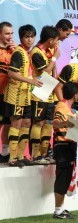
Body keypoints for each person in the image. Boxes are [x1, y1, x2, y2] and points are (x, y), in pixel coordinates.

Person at [4, 24, 42, 167]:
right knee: (16, 123)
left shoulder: (28, 53)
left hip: (26, 95)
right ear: (21, 38)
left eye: (32, 36)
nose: (30, 40)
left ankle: (21, 155)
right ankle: (12, 158)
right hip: (15, 95)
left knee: (26, 123)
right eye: (27, 37)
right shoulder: (18, 52)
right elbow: (12, 73)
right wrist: (30, 80)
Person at [30, 26, 60, 164]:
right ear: (50, 40)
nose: (57, 43)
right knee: (38, 123)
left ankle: (44, 153)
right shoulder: (36, 52)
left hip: (48, 92)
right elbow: (44, 73)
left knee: (48, 123)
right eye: (56, 40)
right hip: (38, 92)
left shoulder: (46, 52)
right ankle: (36, 155)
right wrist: (54, 58)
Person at [52, 82, 78, 219]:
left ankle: (61, 209)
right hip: (62, 146)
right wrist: (65, 123)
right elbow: (55, 124)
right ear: (75, 95)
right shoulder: (61, 107)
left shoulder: (68, 108)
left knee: (66, 177)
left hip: (69, 146)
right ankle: (57, 211)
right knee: (62, 178)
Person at [0, 21, 16, 163]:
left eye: (11, 33)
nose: (10, 36)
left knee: (8, 123)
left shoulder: (15, 51)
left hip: (9, 94)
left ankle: (5, 153)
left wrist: (16, 52)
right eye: (6, 33)